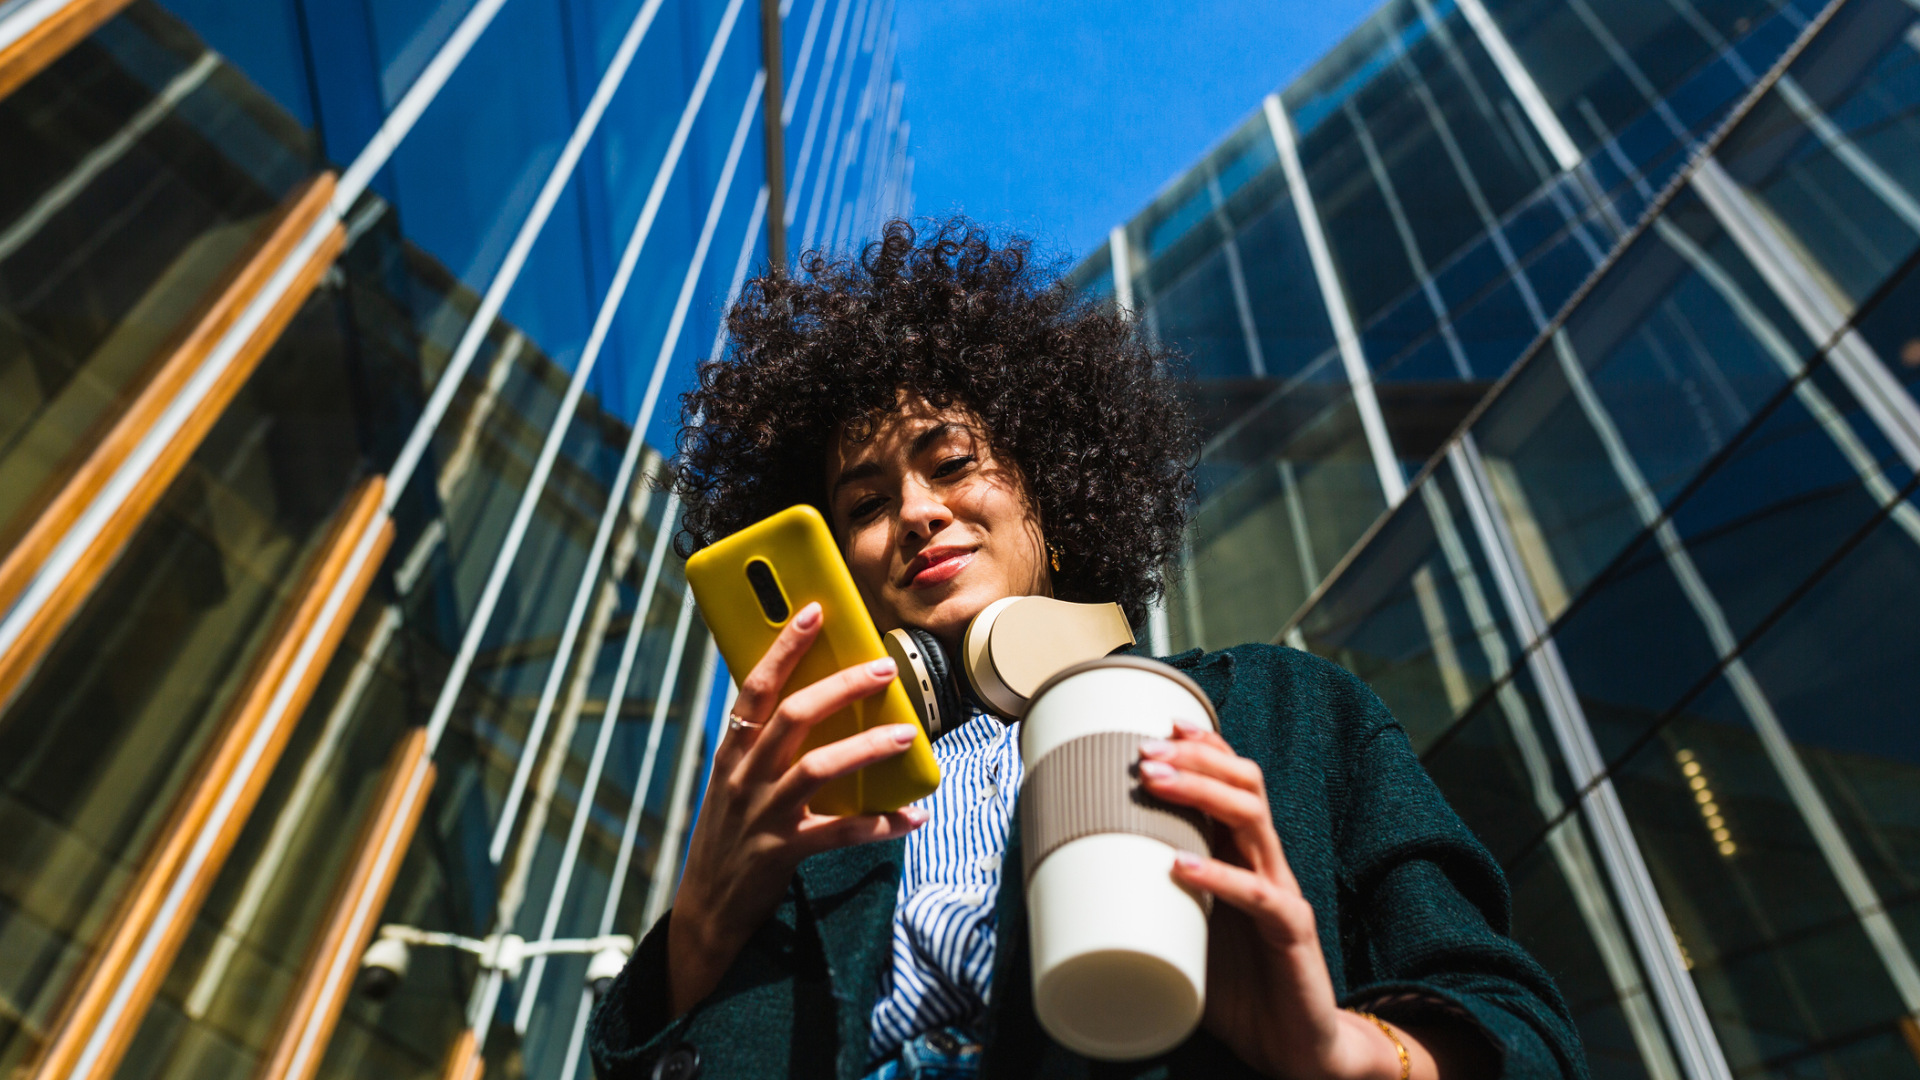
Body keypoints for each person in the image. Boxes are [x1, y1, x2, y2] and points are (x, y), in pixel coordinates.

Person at [589, 220, 1586, 1080]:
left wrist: (1343, 1050)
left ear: (1049, 486)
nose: (918, 513)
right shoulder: (799, 817)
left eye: (953, 462)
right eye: (864, 504)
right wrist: (697, 940)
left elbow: (1521, 1033)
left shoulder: (1287, 711)